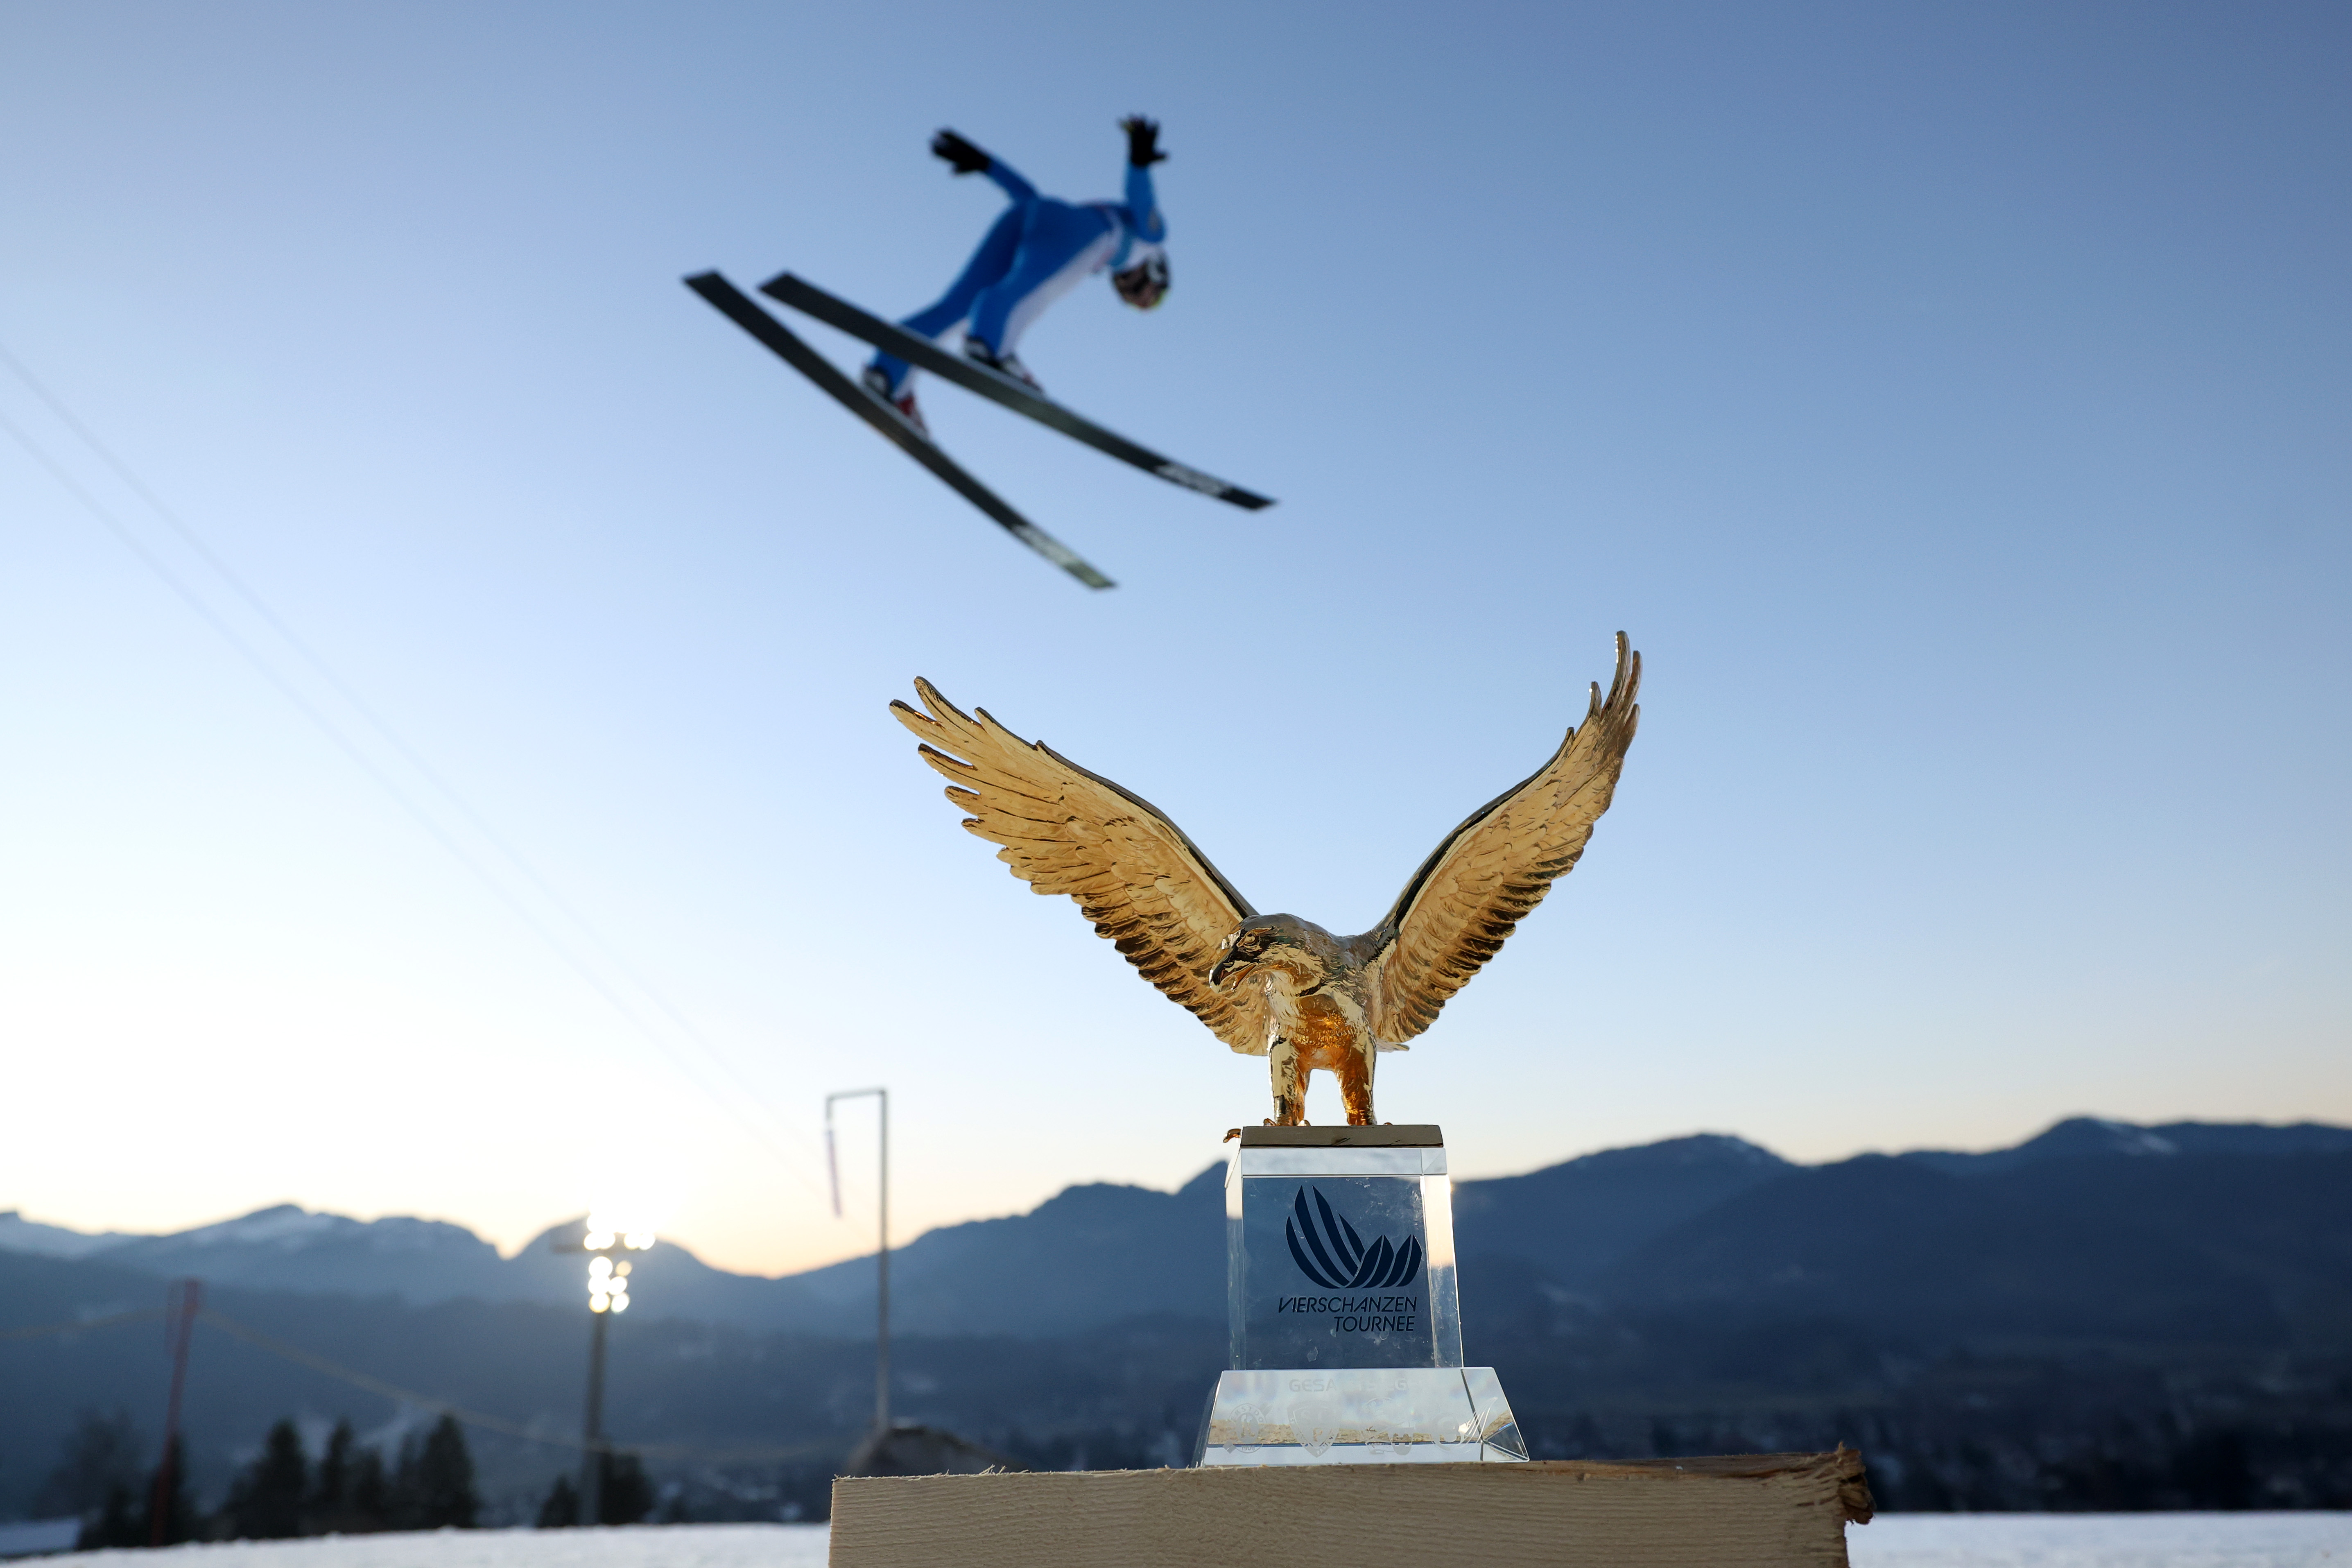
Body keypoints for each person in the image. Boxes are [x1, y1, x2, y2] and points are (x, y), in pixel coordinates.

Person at [861, 118, 1170, 434]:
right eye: (1148, 294)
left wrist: (987, 165)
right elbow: (1141, 199)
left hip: (1034, 213)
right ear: (1158, 270)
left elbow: (1032, 200)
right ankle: (991, 346)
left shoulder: (1097, 239)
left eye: (1132, 299)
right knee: (1034, 288)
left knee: (957, 308)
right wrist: (1139, 161)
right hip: (1083, 231)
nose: (1133, 295)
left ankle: (888, 375)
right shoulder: (1150, 240)